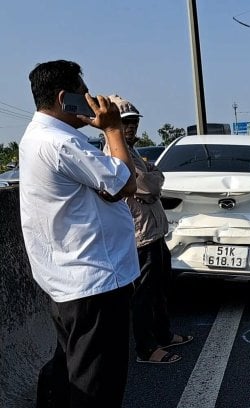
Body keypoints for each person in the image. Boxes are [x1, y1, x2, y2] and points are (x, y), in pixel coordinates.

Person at [19, 60, 139, 406]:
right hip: (94, 282)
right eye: (82, 95)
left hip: (66, 279)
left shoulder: (36, 137)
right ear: (63, 98)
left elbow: (102, 186)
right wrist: (113, 129)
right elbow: (125, 183)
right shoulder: (61, 143)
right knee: (96, 387)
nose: (89, 101)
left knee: (72, 371)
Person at [104, 95, 193, 364]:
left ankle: (163, 335)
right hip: (139, 236)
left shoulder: (132, 154)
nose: (131, 129)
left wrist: (151, 178)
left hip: (153, 231)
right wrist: (152, 180)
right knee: (143, 295)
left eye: (133, 123)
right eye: (125, 123)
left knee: (160, 288)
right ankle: (146, 348)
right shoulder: (113, 154)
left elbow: (152, 180)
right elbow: (149, 186)